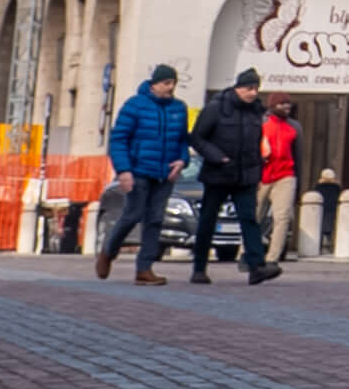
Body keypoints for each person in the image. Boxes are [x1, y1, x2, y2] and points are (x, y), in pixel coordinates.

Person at [92, 64, 192, 284]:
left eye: (173, 83)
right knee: (132, 215)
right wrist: (124, 170)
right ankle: (108, 252)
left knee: (155, 219)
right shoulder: (134, 106)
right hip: (139, 170)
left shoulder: (179, 108)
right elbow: (118, 140)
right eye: (166, 83)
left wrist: (182, 160)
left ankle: (144, 269)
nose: (171, 87)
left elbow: (184, 140)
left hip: (164, 174)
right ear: (154, 84)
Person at [186, 68, 279, 283]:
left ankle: (257, 267)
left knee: (249, 219)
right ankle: (199, 268)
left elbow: (256, 143)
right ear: (238, 88)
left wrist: (257, 168)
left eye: (256, 88)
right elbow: (198, 138)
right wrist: (218, 157)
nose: (253, 93)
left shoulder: (257, 111)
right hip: (218, 173)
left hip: (245, 175)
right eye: (249, 88)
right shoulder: (216, 108)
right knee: (208, 220)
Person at [260, 100, 304, 264]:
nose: (286, 107)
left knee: (282, 218)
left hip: (286, 175)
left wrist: (298, 183)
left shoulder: (295, 127)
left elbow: (298, 156)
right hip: (262, 176)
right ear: (272, 106)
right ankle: (246, 252)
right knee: (256, 216)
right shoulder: (261, 125)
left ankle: (273, 257)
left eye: (288, 104)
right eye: (282, 103)